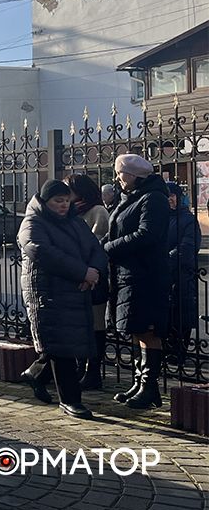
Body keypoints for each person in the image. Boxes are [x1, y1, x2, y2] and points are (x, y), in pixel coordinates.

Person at [17, 180, 107, 419]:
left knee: (65, 341)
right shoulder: (32, 222)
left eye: (67, 200)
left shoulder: (75, 221)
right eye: (58, 201)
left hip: (76, 289)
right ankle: (70, 400)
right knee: (61, 344)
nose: (63, 205)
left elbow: (95, 248)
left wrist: (93, 271)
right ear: (46, 201)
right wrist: (81, 272)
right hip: (48, 291)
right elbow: (41, 251)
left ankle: (35, 374)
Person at [103, 154, 170, 409]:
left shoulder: (153, 198)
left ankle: (150, 386)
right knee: (135, 327)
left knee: (147, 330)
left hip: (146, 275)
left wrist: (110, 248)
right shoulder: (130, 198)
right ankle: (140, 382)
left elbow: (147, 234)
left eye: (120, 174)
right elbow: (116, 229)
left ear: (133, 175)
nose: (118, 179)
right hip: (128, 274)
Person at [65, 173, 112, 390]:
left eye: (69, 189)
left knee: (95, 325)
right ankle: (79, 367)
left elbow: (97, 245)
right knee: (78, 325)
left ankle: (93, 372)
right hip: (74, 276)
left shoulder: (97, 211)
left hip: (93, 276)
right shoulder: (69, 213)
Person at [166, 182, 201, 353]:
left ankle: (179, 354)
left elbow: (187, 248)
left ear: (179, 197)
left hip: (182, 277)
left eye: (172, 195)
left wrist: (165, 260)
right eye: (166, 196)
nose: (169, 199)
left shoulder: (187, 219)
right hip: (162, 279)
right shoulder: (159, 217)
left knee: (181, 318)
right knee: (165, 319)